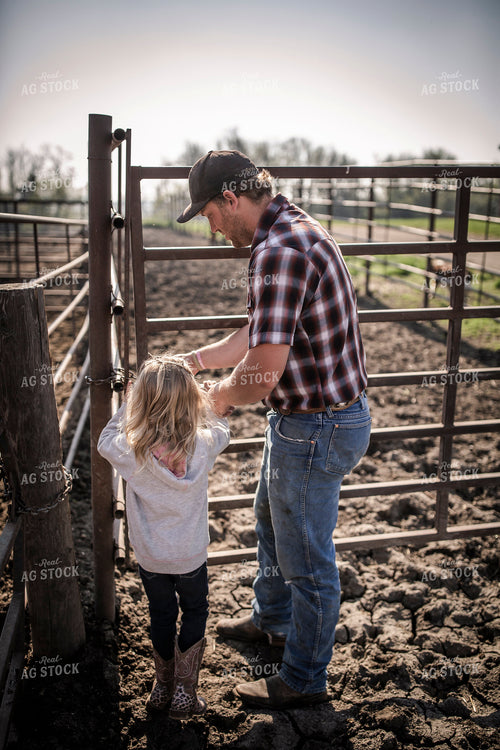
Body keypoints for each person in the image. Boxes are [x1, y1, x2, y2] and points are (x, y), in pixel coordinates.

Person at [177, 149, 371, 710]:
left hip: (314, 426)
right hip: (315, 418)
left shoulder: (280, 252)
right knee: (269, 518)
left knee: (307, 558)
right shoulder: (290, 228)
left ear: (231, 200)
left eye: (209, 213)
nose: (211, 226)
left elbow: (261, 373)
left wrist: (217, 400)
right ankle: (273, 620)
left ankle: (304, 677)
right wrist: (198, 361)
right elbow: (262, 328)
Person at [97, 355, 230, 719]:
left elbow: (105, 438)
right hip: (189, 555)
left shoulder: (131, 448)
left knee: (160, 614)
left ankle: (161, 687)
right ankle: (186, 692)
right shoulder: (203, 444)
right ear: (191, 401)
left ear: (142, 401)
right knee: (195, 610)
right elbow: (223, 428)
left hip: (151, 556)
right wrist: (206, 403)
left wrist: (129, 403)